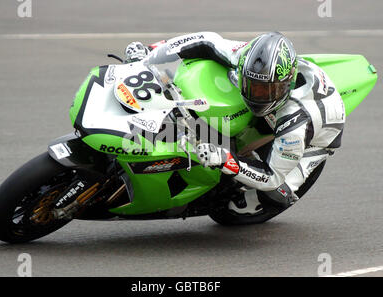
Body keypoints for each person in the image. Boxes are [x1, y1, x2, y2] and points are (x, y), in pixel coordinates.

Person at [124, 32, 346, 214]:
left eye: (265, 91)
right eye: (250, 85)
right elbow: (205, 40)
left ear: (285, 86)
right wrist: (150, 53)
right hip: (281, 105)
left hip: (316, 136)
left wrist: (224, 159)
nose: (256, 95)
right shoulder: (245, 57)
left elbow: (271, 177)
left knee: (277, 193)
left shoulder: (295, 124)